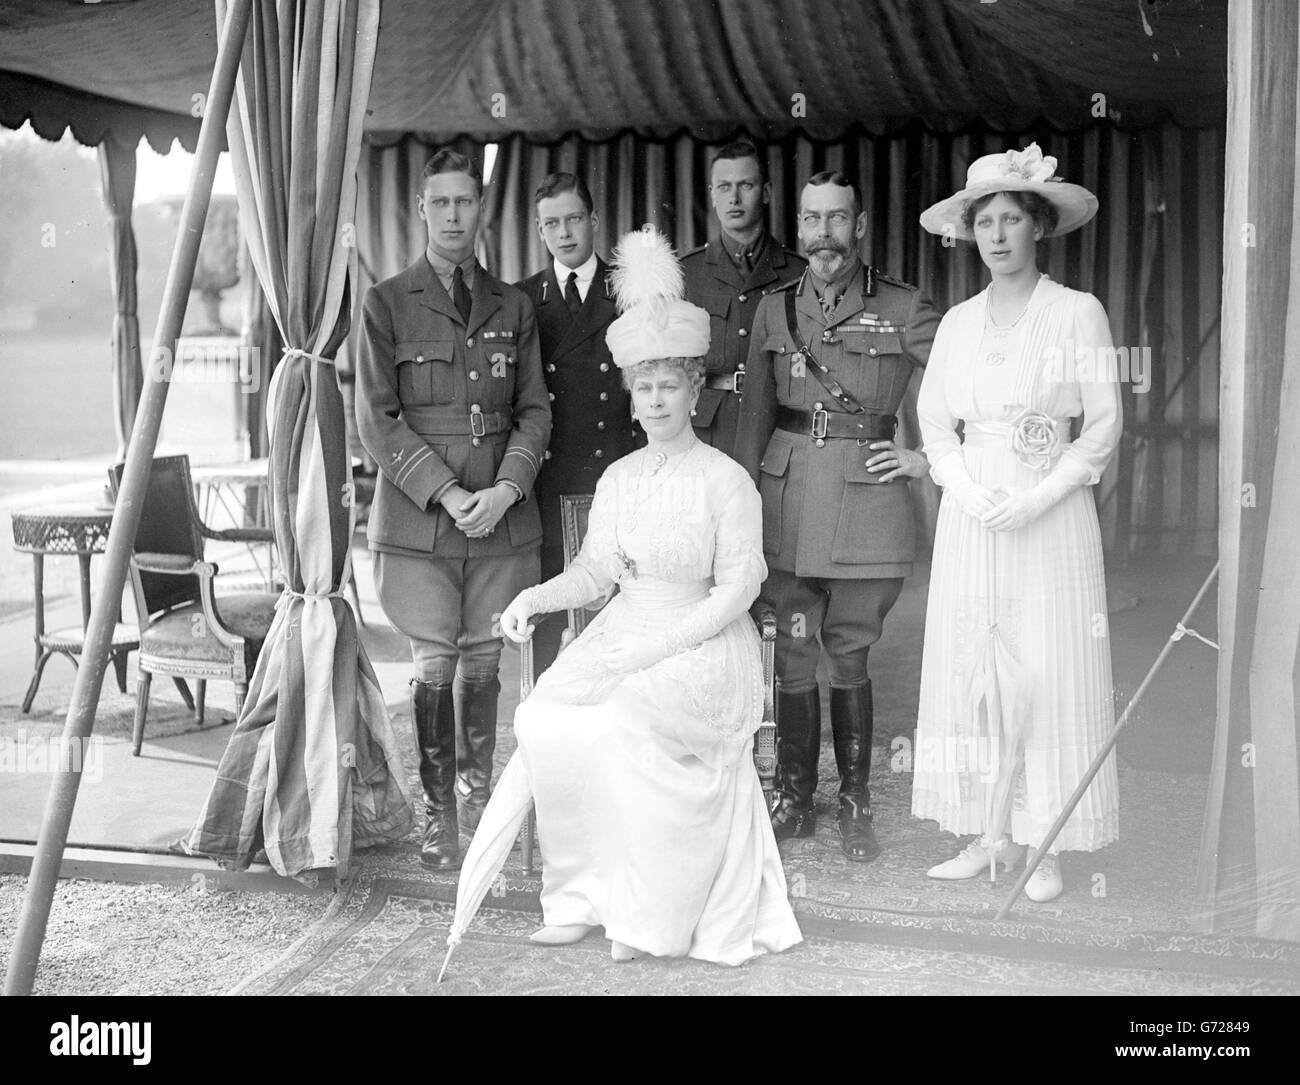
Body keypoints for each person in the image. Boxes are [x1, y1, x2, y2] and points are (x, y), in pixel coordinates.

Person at [496, 228, 803, 965]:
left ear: (697, 390)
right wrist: (536, 598)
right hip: (624, 631)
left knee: (629, 719)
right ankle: (578, 897)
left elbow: (741, 585)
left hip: (702, 639)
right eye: (647, 386)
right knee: (547, 717)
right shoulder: (620, 479)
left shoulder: (725, 479)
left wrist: (664, 644)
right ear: (631, 396)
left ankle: (648, 914)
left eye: (673, 384)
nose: (659, 398)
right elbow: (597, 573)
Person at [911, 143, 1121, 903]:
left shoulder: (1079, 314)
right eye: (986, 222)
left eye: (1011, 219)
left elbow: (1101, 427)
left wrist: (1037, 498)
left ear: (1039, 227)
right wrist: (964, 489)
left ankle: (1047, 837)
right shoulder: (959, 324)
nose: (998, 235)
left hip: (1049, 515)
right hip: (974, 517)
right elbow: (934, 423)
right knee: (977, 666)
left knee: (1048, 664)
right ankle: (985, 830)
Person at [734, 171, 940, 862]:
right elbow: (754, 419)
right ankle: (795, 794)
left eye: (837, 219)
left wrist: (927, 455)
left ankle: (855, 803)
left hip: (866, 507)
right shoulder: (772, 311)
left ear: (860, 224)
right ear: (798, 226)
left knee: (848, 651)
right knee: (793, 651)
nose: (824, 233)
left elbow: (961, 390)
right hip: (786, 504)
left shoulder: (906, 306)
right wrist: (740, 515)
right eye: (812, 219)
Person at [356, 149, 551, 870]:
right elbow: (377, 419)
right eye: (440, 203)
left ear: (482, 210)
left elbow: (534, 410)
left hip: (503, 521)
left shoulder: (515, 306)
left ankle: (478, 803)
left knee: (485, 662)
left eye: (465, 203)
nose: (453, 216)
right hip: (421, 523)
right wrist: (448, 491)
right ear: (421, 210)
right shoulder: (386, 302)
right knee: (434, 665)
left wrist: (504, 489)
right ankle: (440, 817)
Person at [515, 172, 640, 674]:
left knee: (613, 616)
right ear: (540, 231)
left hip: (614, 474)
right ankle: (546, 733)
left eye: (572, 219)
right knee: (548, 613)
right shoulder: (522, 300)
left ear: (593, 221)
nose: (564, 233)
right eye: (551, 224)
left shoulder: (629, 291)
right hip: (549, 480)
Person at [681, 139, 805, 455]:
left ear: (766, 192)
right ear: (711, 195)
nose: (734, 198)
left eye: (745, 185)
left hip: (775, 431)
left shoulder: (799, 273)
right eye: (723, 187)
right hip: (707, 432)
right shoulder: (686, 273)